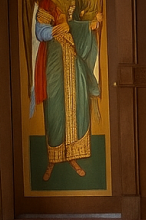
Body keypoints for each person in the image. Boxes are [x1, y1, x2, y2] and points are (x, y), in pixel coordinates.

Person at [30, 0, 102, 182]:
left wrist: (91, 24)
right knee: (55, 108)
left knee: (77, 104)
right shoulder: (47, 4)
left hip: (73, 60)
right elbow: (40, 32)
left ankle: (73, 156)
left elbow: (76, 25)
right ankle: (53, 159)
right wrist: (56, 29)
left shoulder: (75, 3)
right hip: (54, 60)